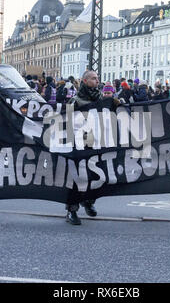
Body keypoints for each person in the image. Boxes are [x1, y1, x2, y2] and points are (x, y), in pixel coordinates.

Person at [66, 70, 102, 225]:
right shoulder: (75, 100)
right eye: (94, 78)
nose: (97, 81)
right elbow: (67, 123)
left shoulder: (101, 98)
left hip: (96, 143)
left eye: (97, 78)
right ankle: (71, 210)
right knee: (75, 178)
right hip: (79, 144)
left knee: (97, 175)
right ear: (86, 81)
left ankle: (88, 201)